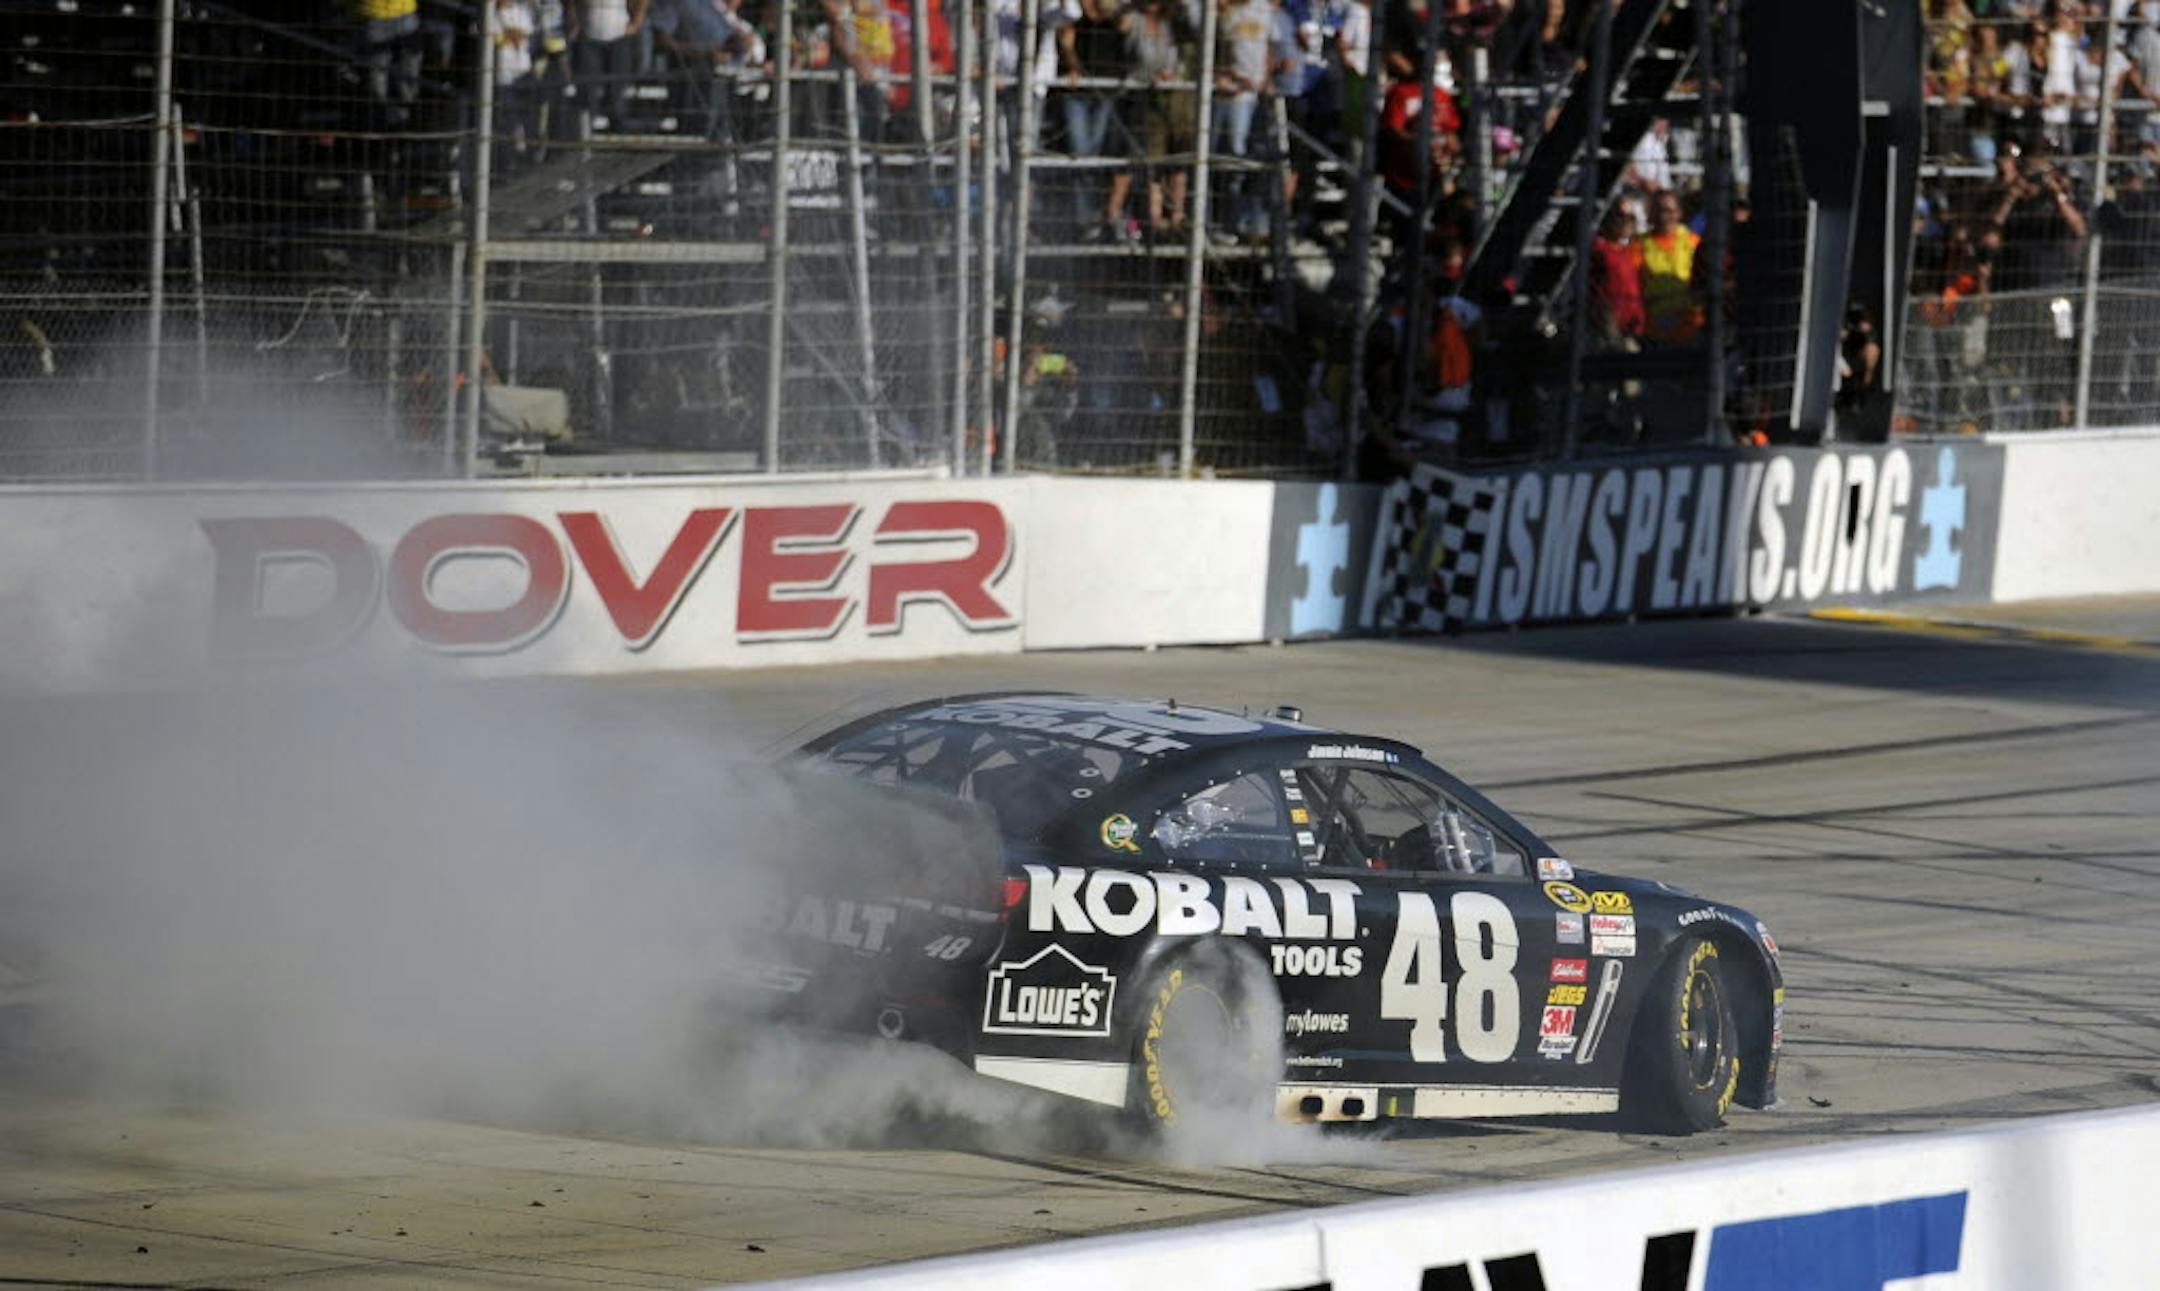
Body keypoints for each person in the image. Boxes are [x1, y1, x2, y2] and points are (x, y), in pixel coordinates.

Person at [1636, 189, 1700, 346]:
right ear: (1652, 213)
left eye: (1671, 211)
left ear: (1679, 213)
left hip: (1690, 321)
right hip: (1656, 322)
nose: (1665, 216)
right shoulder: (1639, 245)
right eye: (1660, 210)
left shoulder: (1694, 242)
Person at [574, 0, 651, 126]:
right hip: (589, 35)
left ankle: (617, 131)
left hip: (619, 36)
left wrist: (637, 21)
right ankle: (585, 131)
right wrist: (573, 16)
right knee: (588, 91)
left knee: (618, 92)